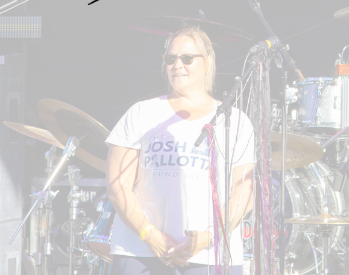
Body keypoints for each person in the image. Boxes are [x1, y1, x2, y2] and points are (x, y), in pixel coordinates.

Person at [106, 27, 255, 275]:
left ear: (208, 61)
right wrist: (149, 234)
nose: (177, 65)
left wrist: (210, 237)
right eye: (170, 58)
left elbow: (243, 194)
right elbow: (117, 185)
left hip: (211, 256)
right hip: (142, 252)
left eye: (187, 58)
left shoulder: (235, 121)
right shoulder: (142, 113)